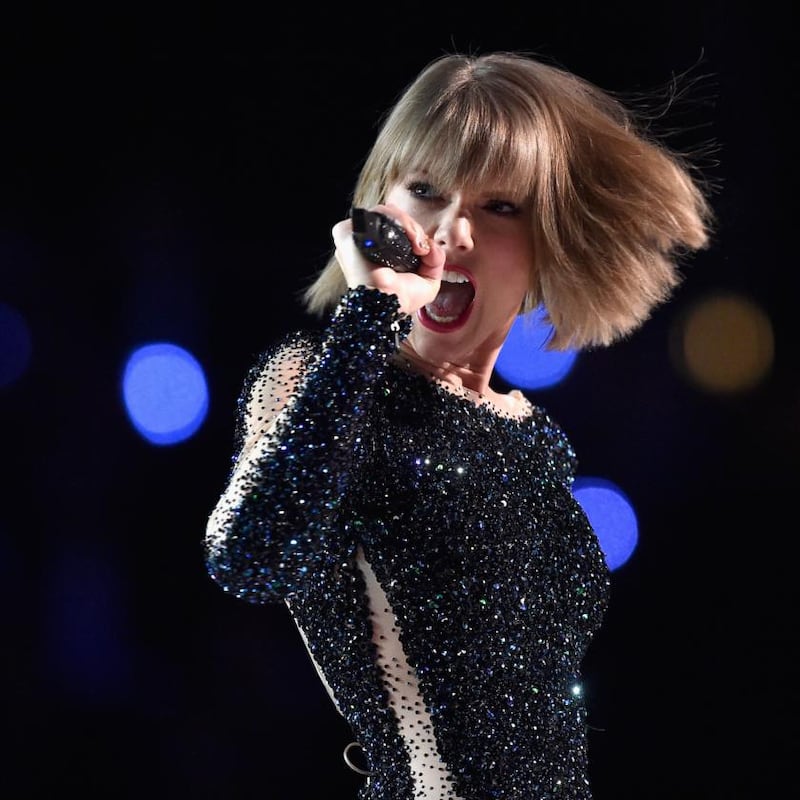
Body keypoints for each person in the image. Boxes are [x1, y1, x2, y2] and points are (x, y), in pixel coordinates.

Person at [204, 50, 713, 799]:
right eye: (425, 190)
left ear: (549, 242)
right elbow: (247, 557)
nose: (451, 233)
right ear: (376, 210)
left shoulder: (534, 435)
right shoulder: (321, 381)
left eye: (500, 207)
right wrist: (369, 318)